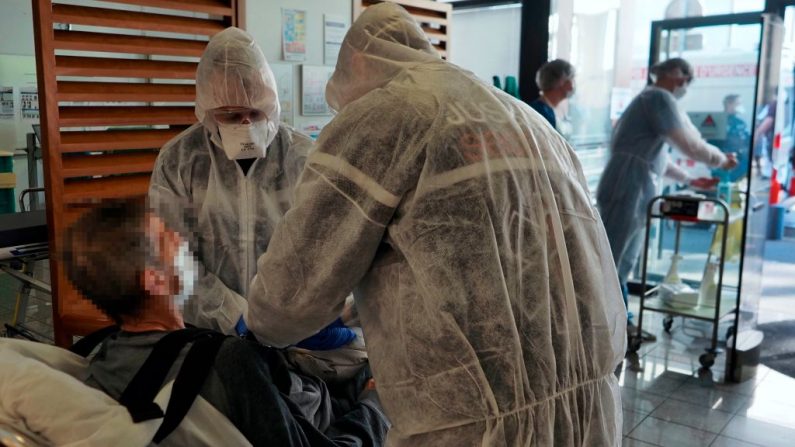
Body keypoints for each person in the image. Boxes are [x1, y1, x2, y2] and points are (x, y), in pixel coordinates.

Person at [246, 3, 626, 445]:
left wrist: (256, 321)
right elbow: (481, 267)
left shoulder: (380, 119)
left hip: (472, 423)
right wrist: (356, 309)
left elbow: (288, 301)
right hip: (589, 409)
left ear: (356, 69)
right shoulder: (526, 121)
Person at [61, 198, 389, 446]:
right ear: (155, 281)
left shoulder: (100, 358)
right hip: (333, 419)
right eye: (169, 239)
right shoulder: (226, 361)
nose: (184, 244)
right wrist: (375, 405)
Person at [148, 27, 356, 348]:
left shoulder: (303, 157)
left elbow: (329, 246)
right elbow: (169, 257)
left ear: (270, 105)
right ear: (207, 111)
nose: (246, 124)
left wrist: (308, 316)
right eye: (230, 115)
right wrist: (233, 316)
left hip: (294, 334)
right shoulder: (180, 160)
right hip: (207, 334)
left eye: (254, 113)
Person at [596, 57, 738, 327]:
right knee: (611, 261)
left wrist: (692, 181)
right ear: (675, 74)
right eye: (686, 78)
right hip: (627, 184)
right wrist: (721, 160)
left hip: (636, 183)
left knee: (624, 262)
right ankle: (599, 329)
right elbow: (688, 144)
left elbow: (659, 158)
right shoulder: (658, 98)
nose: (685, 85)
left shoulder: (650, 100)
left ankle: (618, 325)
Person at [528, 59, 576, 130]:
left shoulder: (559, 108)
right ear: (561, 81)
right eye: (571, 78)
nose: (573, 84)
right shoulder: (538, 112)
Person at [713, 94, 750, 182]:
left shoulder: (740, 123)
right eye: (738, 103)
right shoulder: (719, 121)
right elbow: (713, 142)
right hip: (725, 161)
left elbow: (746, 141)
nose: (740, 106)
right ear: (729, 104)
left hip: (740, 161)